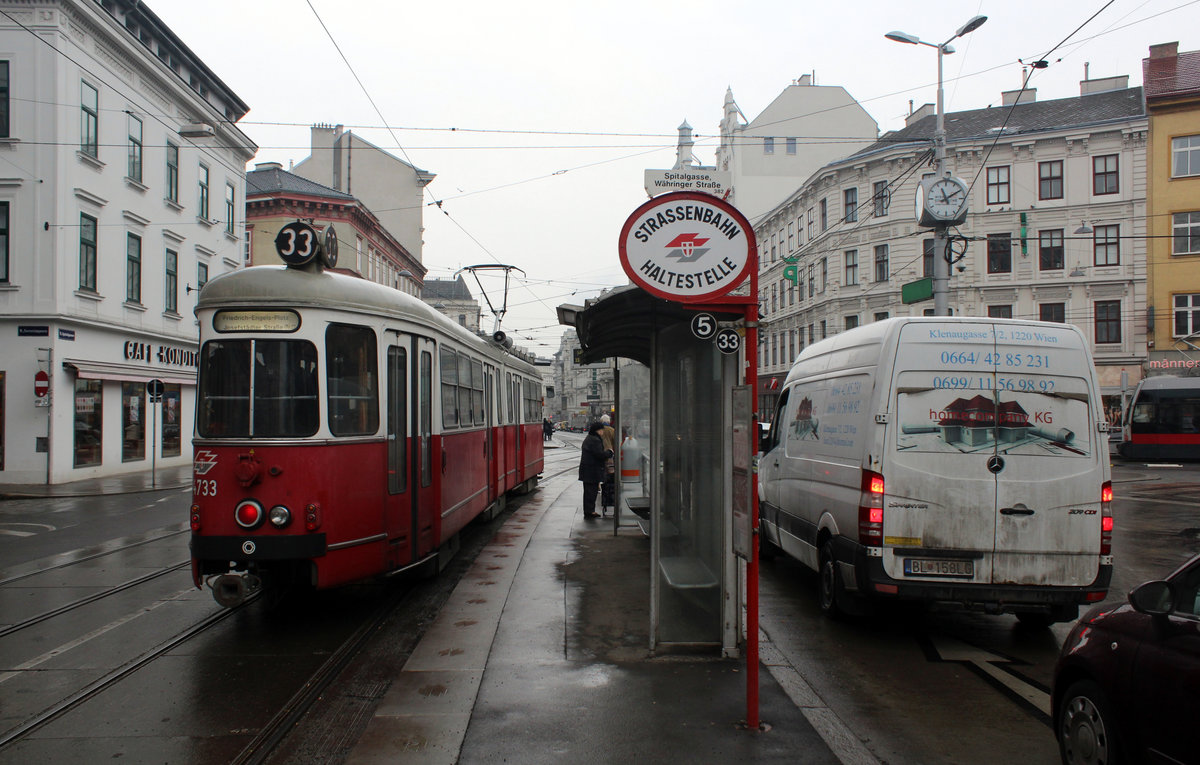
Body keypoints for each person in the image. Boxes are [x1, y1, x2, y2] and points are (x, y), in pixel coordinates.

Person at [578, 420, 611, 519]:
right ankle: (590, 511)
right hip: (591, 470)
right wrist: (609, 453)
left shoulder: (590, 438)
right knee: (591, 492)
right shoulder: (595, 440)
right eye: (601, 430)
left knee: (589, 491)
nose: (603, 432)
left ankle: (589, 510)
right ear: (597, 430)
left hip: (588, 469)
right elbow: (599, 455)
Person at [598, 414, 617, 513]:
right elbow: (615, 443)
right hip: (609, 455)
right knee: (610, 472)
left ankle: (600, 486)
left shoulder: (600, 430)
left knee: (600, 471)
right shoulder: (612, 430)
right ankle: (608, 486)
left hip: (600, 454)